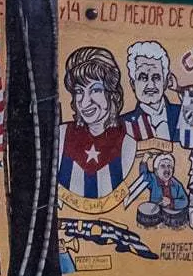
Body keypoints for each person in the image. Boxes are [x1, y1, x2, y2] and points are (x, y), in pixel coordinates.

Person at [57, 46, 138, 200]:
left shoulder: (128, 144)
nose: (85, 102)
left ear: (112, 94)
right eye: (79, 91)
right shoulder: (60, 136)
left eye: (95, 90)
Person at [123, 41, 181, 143]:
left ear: (166, 81)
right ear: (133, 84)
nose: (150, 85)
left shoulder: (182, 115)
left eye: (156, 77)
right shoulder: (123, 125)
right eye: (143, 78)